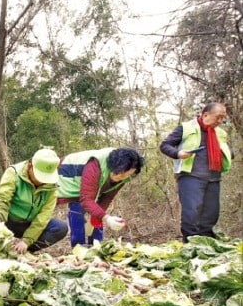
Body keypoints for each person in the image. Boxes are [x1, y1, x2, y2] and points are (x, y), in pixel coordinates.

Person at [160, 103, 231, 242]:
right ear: (206, 115)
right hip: (191, 176)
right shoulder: (186, 128)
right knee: (191, 212)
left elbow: (226, 150)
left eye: (223, 118)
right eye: (219, 117)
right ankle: (190, 243)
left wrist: (228, 153)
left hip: (214, 177)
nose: (220, 121)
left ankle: (207, 243)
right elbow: (165, 145)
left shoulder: (220, 133)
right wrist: (178, 153)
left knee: (211, 213)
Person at [57, 148, 144, 246]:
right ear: (111, 166)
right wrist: (106, 218)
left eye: (125, 175)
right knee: (78, 207)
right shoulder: (95, 165)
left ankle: (96, 245)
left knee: (97, 215)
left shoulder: (128, 174)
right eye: (118, 173)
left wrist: (99, 217)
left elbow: (107, 196)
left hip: (88, 182)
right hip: (70, 176)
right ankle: (78, 246)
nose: (120, 177)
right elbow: (86, 200)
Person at [0, 149, 68, 253]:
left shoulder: (52, 186)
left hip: (29, 224)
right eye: (39, 176)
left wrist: (26, 241)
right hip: (8, 221)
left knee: (60, 228)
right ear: (30, 166)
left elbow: (44, 216)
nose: (41, 181)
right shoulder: (14, 172)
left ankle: (24, 249)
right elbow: (2, 197)